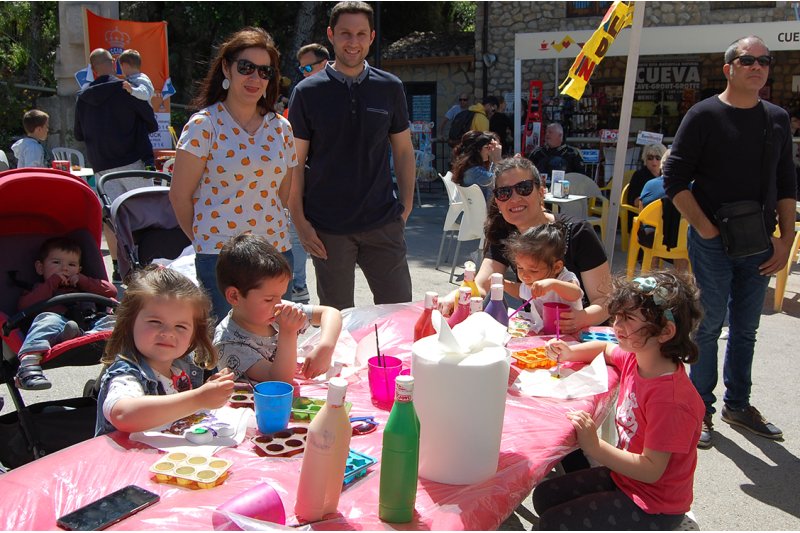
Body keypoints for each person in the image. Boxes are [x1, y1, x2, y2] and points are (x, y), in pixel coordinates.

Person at [663, 35, 794, 448]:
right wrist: (704, 228)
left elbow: (787, 181)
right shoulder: (703, 115)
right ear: (729, 68)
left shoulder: (776, 118)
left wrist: (786, 238)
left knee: (747, 329)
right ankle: (699, 408)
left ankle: (739, 404)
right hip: (713, 240)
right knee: (708, 326)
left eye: (764, 61)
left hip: (759, 240)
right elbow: (675, 180)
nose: (757, 66)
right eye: (747, 60)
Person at [535, 272, 705, 530]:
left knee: (551, 525)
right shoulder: (638, 358)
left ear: (665, 332)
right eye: (616, 316)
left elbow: (651, 470)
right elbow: (605, 349)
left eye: (627, 318)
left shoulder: (671, 400)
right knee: (544, 495)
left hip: (655, 506)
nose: (616, 325)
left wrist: (595, 447)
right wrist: (570, 352)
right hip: (628, 480)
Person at [287, 1, 415, 311]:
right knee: (336, 319)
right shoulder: (307, 92)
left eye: (360, 34)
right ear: (331, 35)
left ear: (371, 37)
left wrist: (406, 208)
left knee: (399, 313)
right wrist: (300, 221)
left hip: (383, 221)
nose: (353, 42)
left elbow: (403, 150)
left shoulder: (390, 87)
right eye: (345, 33)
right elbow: (293, 164)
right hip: (328, 228)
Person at [170, 27, 297, 320]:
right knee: (224, 351)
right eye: (246, 67)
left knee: (277, 345)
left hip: (276, 254)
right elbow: (179, 196)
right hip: (221, 259)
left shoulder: (282, 128)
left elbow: (282, 194)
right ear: (227, 67)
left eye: (264, 71)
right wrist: (207, 239)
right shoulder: (204, 125)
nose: (255, 78)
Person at [443, 157, 611, 333]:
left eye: (524, 188)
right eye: (504, 192)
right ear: (498, 202)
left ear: (541, 191)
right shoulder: (504, 233)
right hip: (538, 332)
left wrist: (582, 318)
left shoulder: (578, 233)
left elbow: (605, 300)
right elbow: (483, 283)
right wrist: (456, 297)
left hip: (585, 336)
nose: (514, 198)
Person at [95, 266, 235, 436]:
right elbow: (123, 415)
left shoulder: (181, 366)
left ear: (194, 334)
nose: (168, 333)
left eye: (180, 326)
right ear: (129, 323)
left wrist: (209, 391)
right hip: (128, 460)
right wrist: (198, 398)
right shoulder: (126, 375)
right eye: (155, 322)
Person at [74, 48, 158, 281]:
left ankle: (117, 268)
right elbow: (151, 123)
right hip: (133, 162)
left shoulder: (82, 97)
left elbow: (78, 134)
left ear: (92, 69)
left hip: (102, 167)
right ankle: (146, 266)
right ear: (114, 64)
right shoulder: (126, 89)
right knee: (143, 214)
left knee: (112, 219)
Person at [213, 234, 342, 381]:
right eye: (268, 299)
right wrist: (288, 332)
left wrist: (326, 347)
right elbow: (279, 381)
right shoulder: (229, 343)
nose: (278, 304)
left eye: (280, 296)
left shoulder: (275, 310)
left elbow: (330, 313)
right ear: (235, 296)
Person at [14, 237, 117, 391]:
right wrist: (52, 283)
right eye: (56, 263)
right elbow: (24, 305)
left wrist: (83, 281)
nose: (64, 269)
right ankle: (28, 365)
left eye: (72, 264)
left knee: (113, 321)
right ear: (40, 268)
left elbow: (111, 291)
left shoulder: (83, 285)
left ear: (79, 269)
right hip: (54, 329)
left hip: (89, 326)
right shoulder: (40, 288)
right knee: (46, 320)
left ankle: (78, 335)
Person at [288, 43, 331, 303]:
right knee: (295, 233)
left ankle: (299, 286)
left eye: (307, 67)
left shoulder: (336, 92)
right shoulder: (303, 93)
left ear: (324, 63)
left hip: (330, 190)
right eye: (301, 68)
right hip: (304, 183)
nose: (303, 73)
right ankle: (298, 285)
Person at [502, 222, 583, 323]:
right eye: (520, 268)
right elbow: (519, 290)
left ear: (557, 267)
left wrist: (553, 284)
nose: (524, 275)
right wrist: (503, 284)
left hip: (569, 331)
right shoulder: (532, 281)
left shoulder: (565, 278)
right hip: (544, 331)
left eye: (533, 270)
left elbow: (576, 293)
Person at [450, 130, 502, 201]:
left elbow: (490, 177)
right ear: (477, 150)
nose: (490, 151)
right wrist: (498, 160)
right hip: (484, 209)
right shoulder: (475, 172)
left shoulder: (469, 166)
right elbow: (499, 181)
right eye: (487, 148)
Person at [627, 143, 667, 208]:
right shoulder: (638, 176)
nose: (654, 161)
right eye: (650, 158)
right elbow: (634, 201)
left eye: (658, 158)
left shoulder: (667, 175)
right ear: (645, 159)